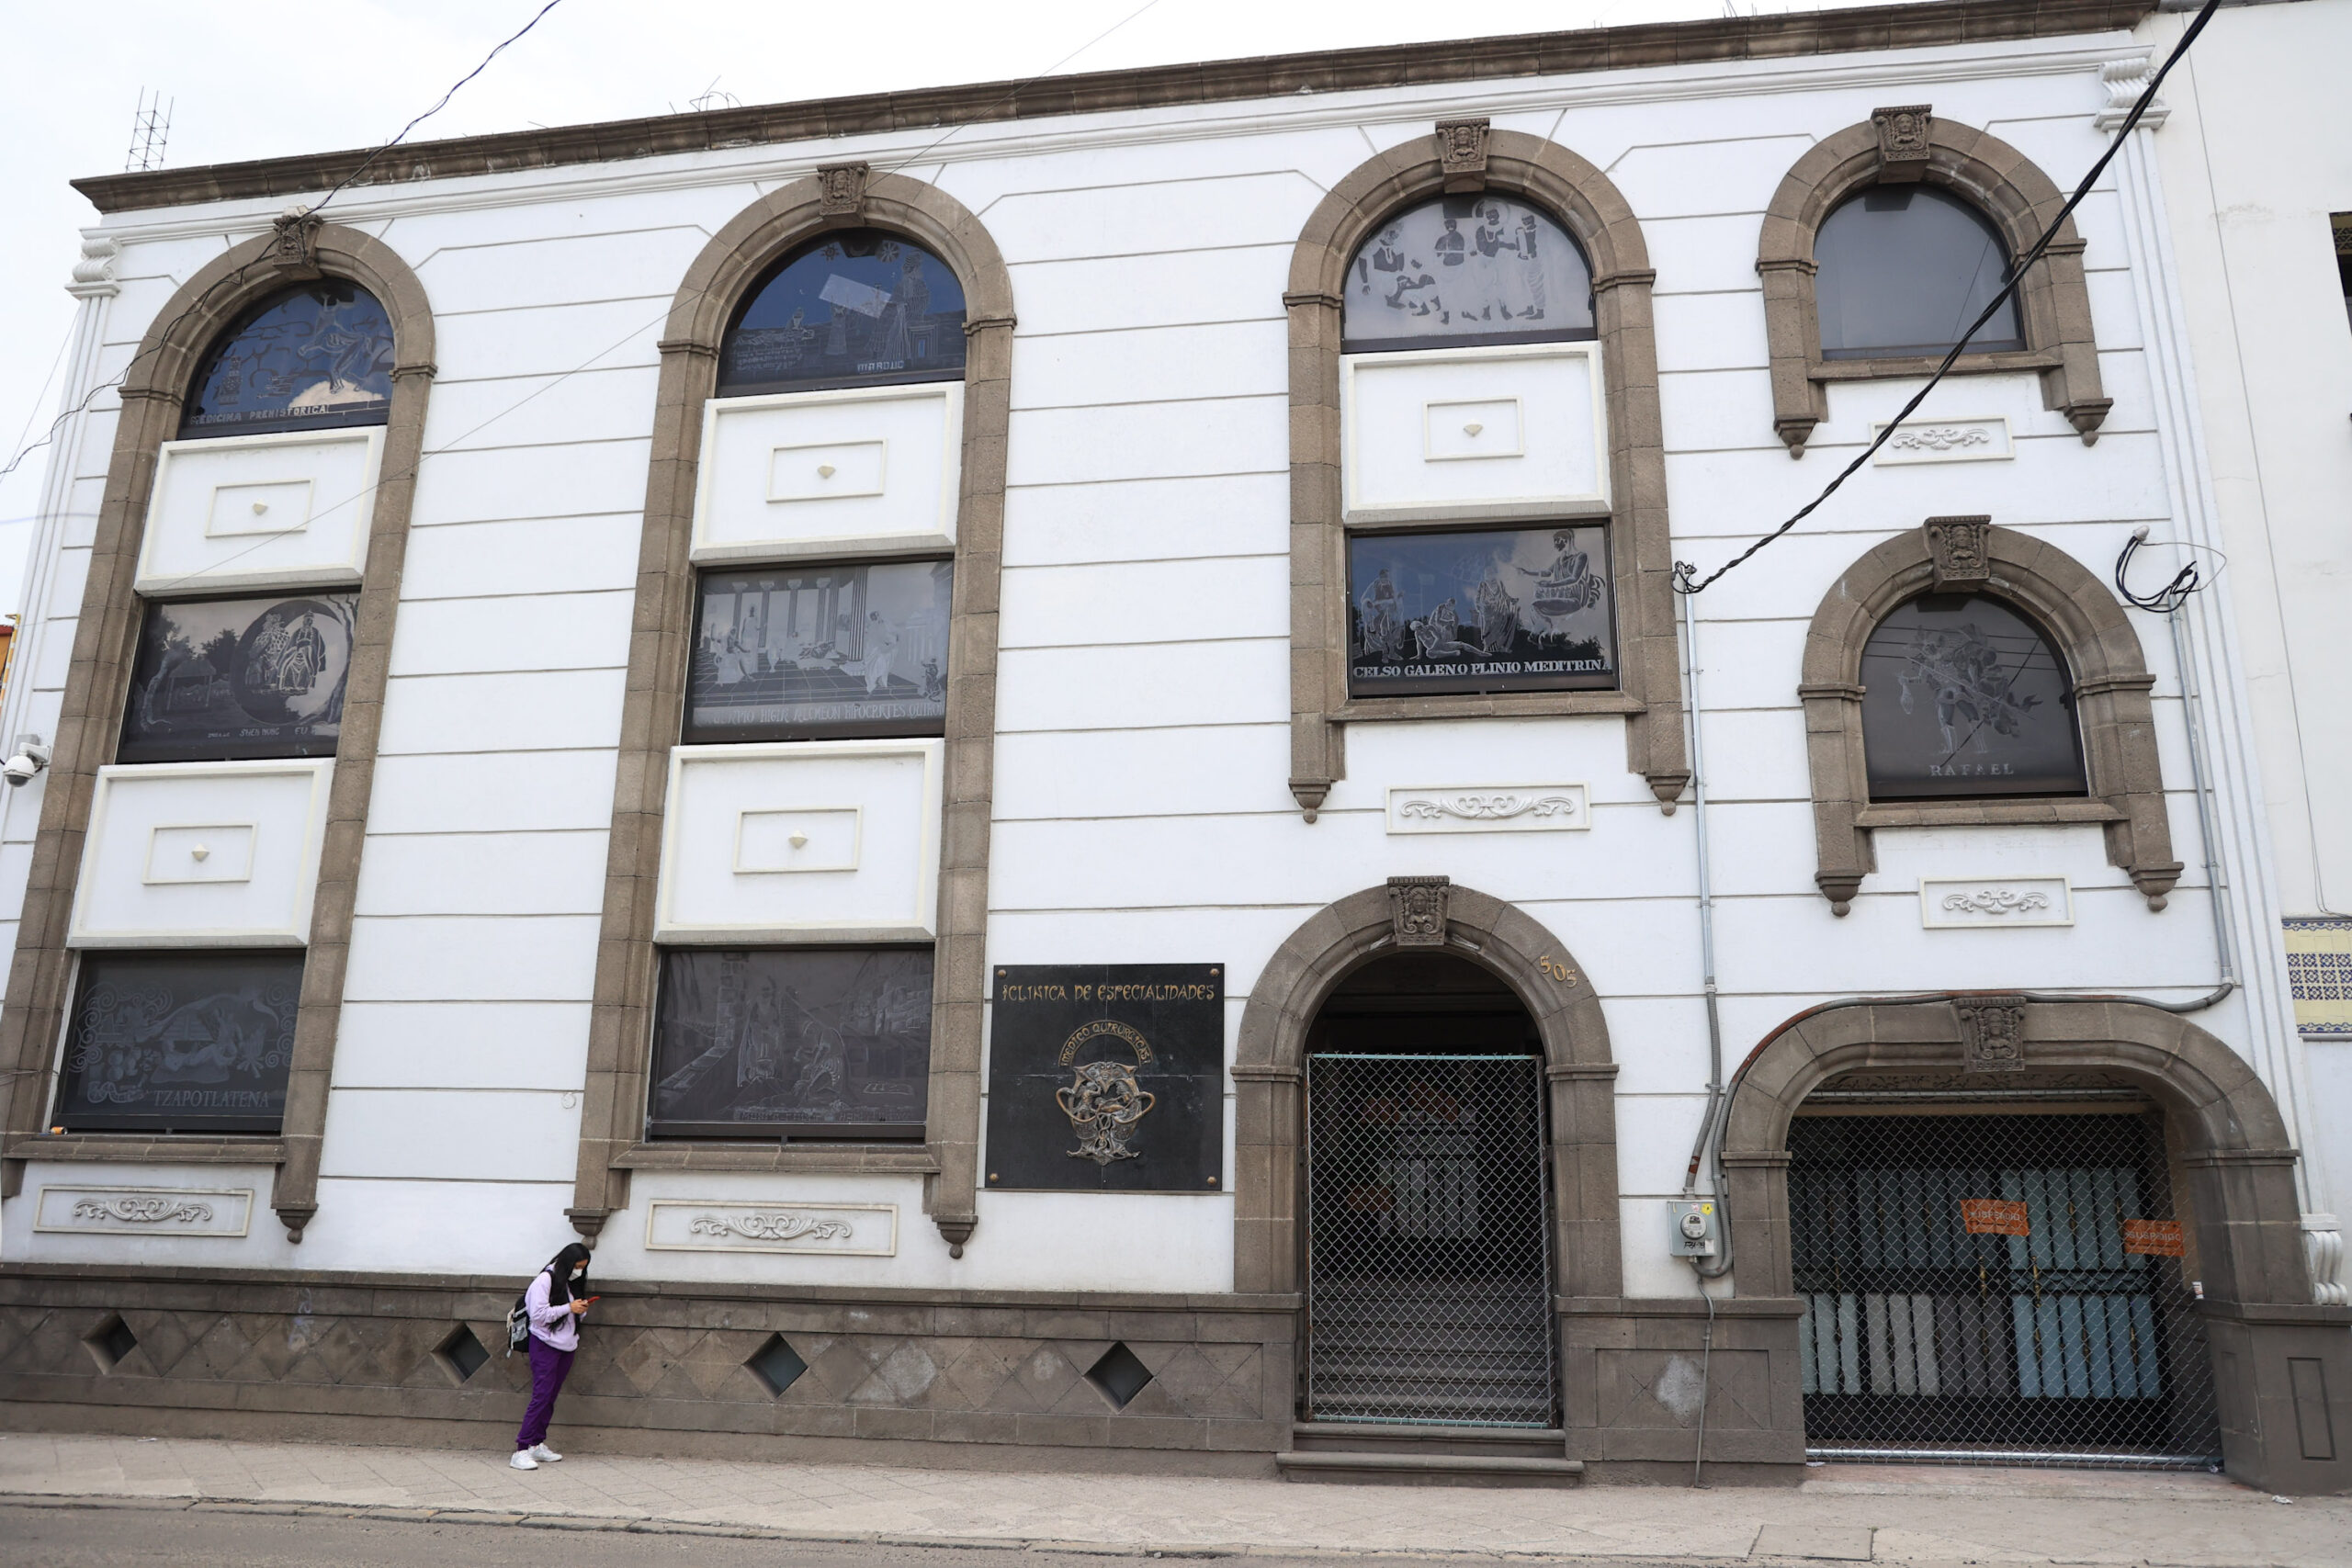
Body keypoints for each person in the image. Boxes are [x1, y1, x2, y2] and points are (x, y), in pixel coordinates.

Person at [512, 1241, 592, 1470]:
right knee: (541, 1396)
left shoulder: (571, 1282)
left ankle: (536, 1444)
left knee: (550, 1397)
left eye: (583, 1267)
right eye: (577, 1266)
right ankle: (521, 1450)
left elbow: (571, 1316)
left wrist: (580, 1310)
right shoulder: (545, 1280)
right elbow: (538, 1315)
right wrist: (569, 1308)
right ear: (567, 1263)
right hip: (545, 1344)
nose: (579, 1271)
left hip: (567, 1346)